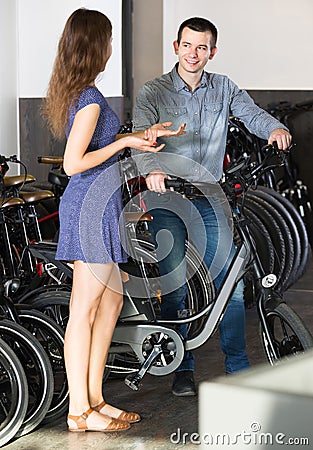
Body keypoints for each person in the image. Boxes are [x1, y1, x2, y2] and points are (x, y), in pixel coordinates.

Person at [132, 16, 292, 397]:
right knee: (175, 286)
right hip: (166, 197)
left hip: (209, 195)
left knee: (230, 284)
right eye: (187, 45)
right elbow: (139, 137)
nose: (193, 53)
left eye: (201, 47)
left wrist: (274, 128)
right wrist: (152, 171)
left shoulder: (224, 88)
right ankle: (181, 368)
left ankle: (237, 366)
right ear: (176, 47)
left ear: (212, 52)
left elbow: (252, 114)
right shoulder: (152, 92)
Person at [44, 8, 186, 432]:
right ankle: (77, 412)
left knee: (111, 302)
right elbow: (73, 164)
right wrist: (125, 139)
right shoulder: (87, 99)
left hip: (99, 206)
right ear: (94, 45)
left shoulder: (83, 92)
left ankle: (95, 399)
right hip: (88, 208)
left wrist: (138, 136)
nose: (110, 47)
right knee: (84, 310)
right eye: (107, 39)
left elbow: (96, 149)